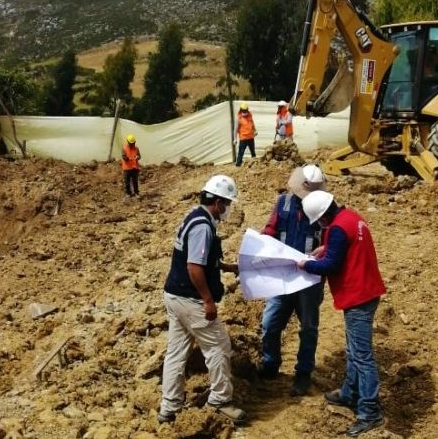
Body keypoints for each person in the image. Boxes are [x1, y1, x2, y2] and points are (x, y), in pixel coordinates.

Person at [297, 190, 387, 437]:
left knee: (362, 356)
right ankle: (350, 394)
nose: (321, 225)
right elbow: (346, 244)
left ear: (324, 215)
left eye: (320, 221)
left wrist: (306, 264)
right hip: (367, 290)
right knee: (353, 350)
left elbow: (331, 266)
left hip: (358, 295)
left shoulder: (336, 228)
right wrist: (326, 248)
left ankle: (370, 412)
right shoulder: (350, 216)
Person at [159, 175, 246, 425]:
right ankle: (220, 400)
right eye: (227, 203)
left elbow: (204, 259)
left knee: (176, 352)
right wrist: (208, 300)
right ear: (217, 202)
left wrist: (228, 267)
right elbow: (194, 267)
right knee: (219, 347)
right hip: (191, 299)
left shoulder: (194, 215)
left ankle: (169, 406)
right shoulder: (203, 227)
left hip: (174, 295)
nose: (228, 208)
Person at [257, 164, 327, 396]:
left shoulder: (324, 209)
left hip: (309, 280)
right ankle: (270, 363)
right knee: (270, 323)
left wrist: (324, 250)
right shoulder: (283, 203)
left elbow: (331, 240)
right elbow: (270, 229)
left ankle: (303, 373)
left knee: (308, 327)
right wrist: (264, 241)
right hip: (283, 276)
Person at [120, 133, 142, 198]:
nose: (133, 144)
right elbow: (124, 157)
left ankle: (136, 193)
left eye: (133, 143)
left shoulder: (136, 148)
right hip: (127, 168)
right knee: (127, 182)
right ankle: (128, 193)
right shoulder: (124, 148)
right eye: (131, 143)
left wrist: (138, 157)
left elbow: (139, 156)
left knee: (135, 181)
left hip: (134, 168)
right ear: (128, 142)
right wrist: (128, 158)